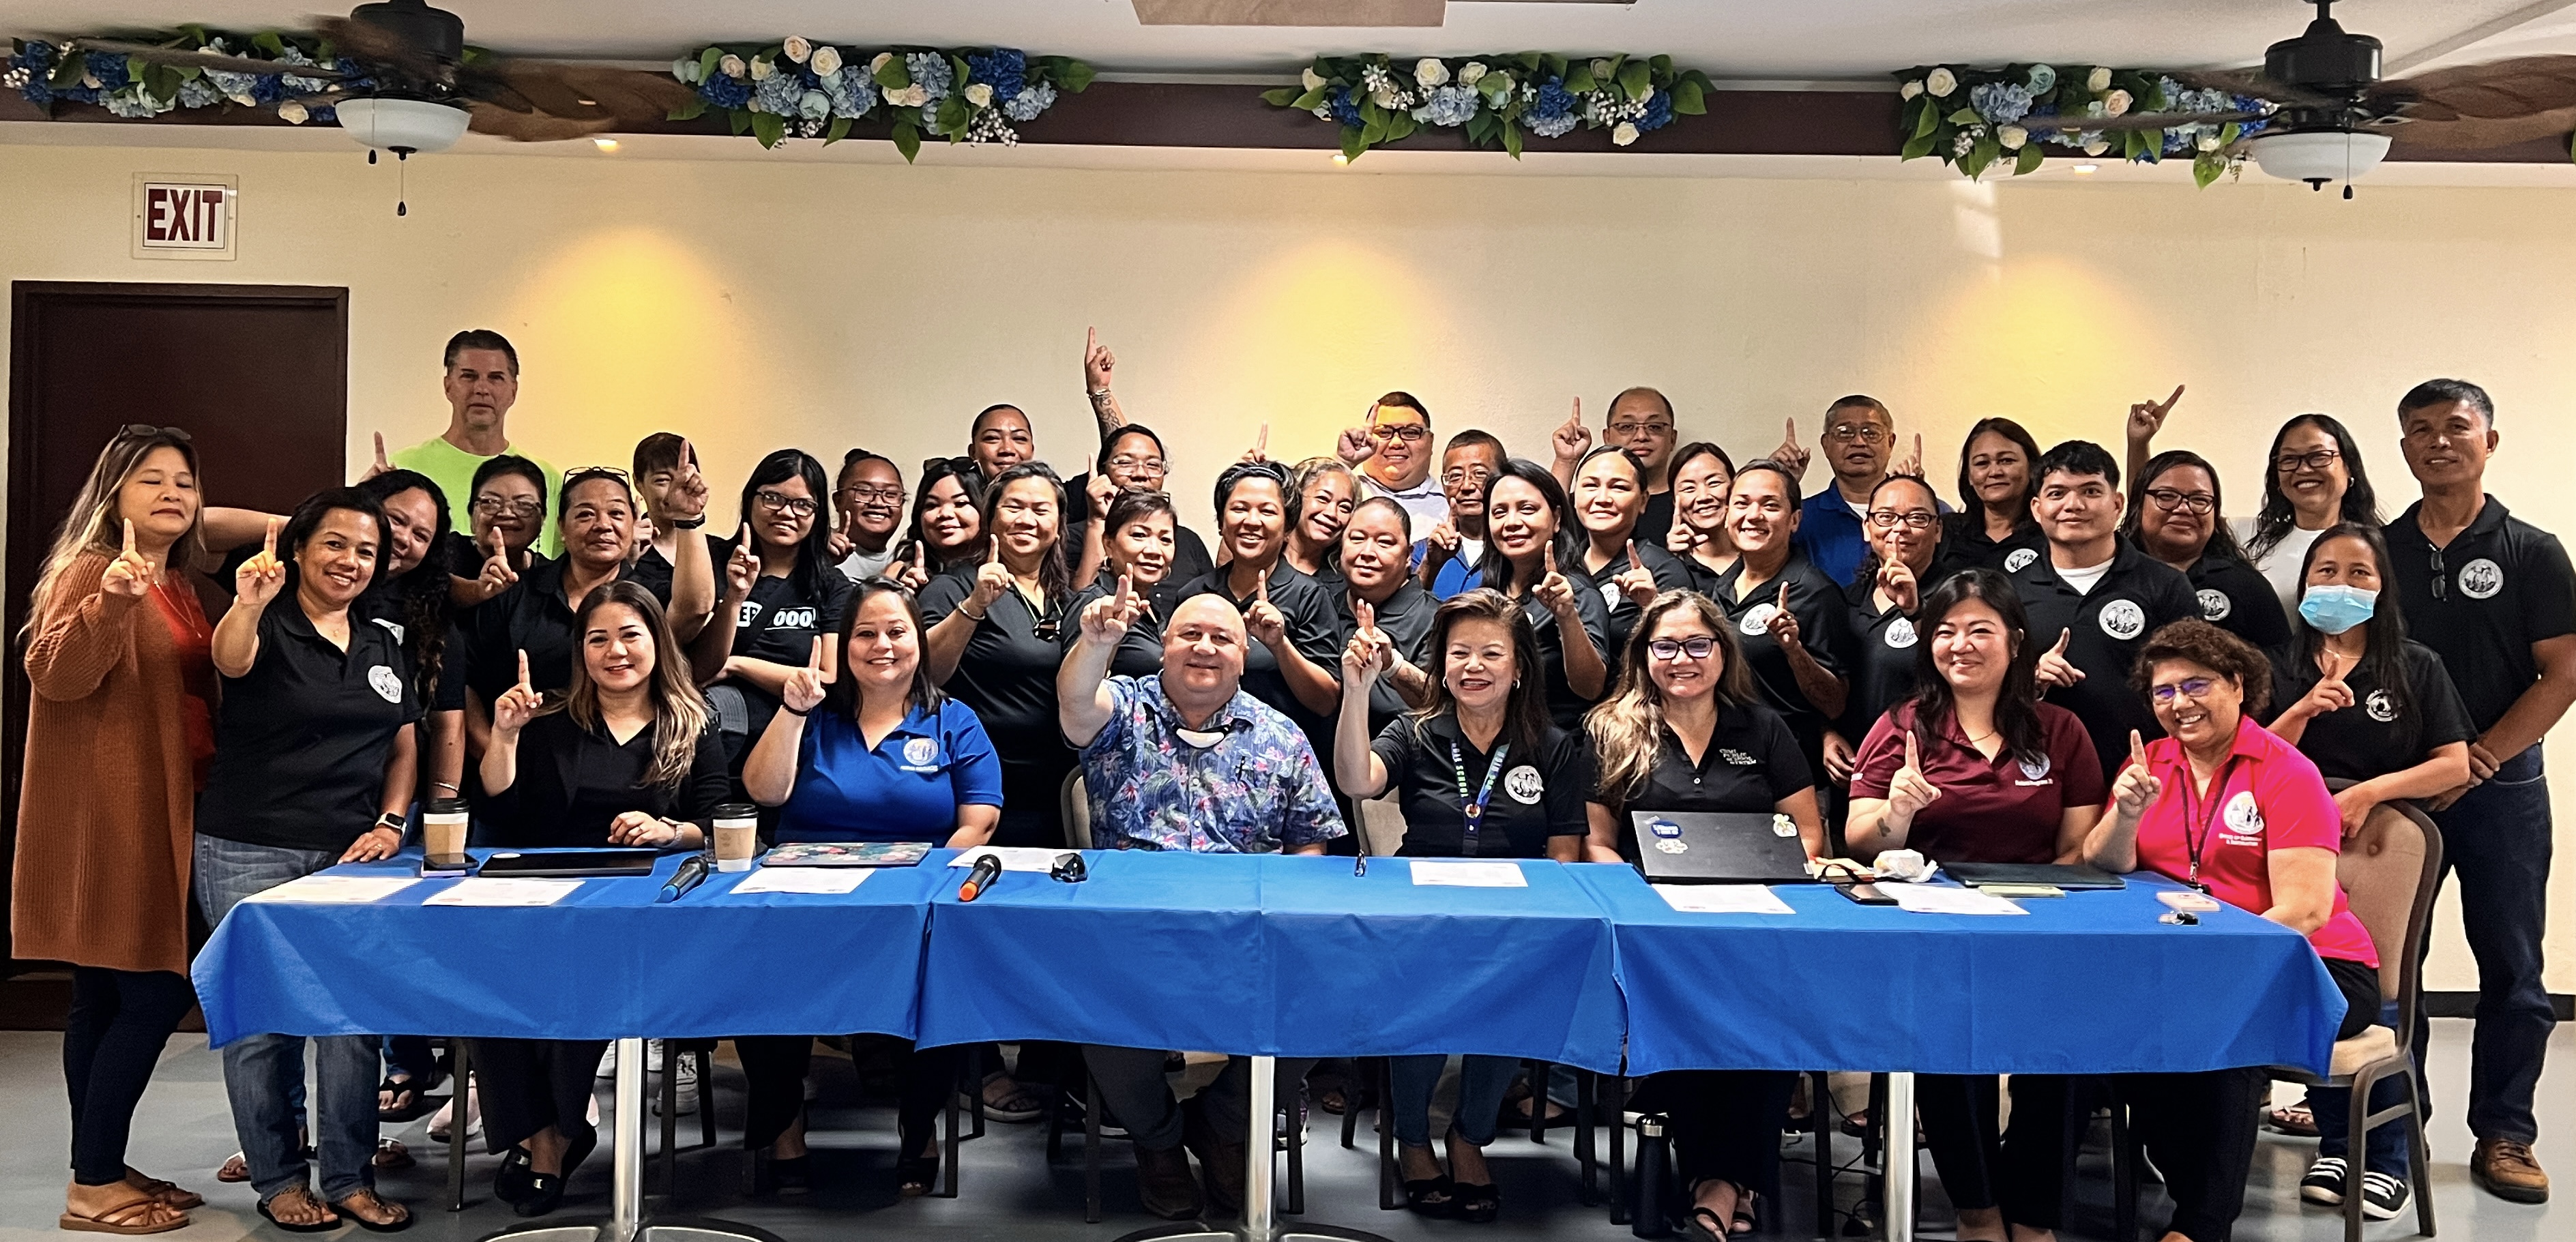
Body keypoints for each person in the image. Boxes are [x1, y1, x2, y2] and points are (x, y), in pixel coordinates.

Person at [2084, 619, 2386, 1242]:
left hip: (2315, 963)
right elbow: (2106, 861)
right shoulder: (2153, 762)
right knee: (2109, 1021)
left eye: (2197, 684)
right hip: (2189, 959)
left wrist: (2211, 962)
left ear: (2238, 685)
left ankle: (2200, 1226)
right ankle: (2183, 1180)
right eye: (2163, 692)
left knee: (2230, 1024)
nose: (2180, 703)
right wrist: (2128, 813)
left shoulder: (2286, 770)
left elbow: (2305, 909)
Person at [1060, 586, 1345, 1222]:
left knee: (1326, 998)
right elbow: (1076, 705)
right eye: (1190, 634)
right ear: (1163, 646)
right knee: (1092, 1004)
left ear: (1244, 657)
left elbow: (1309, 847)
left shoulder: (1282, 736)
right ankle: (1158, 1140)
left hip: (1246, 935)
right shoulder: (1125, 711)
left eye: (1222, 638)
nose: (1205, 647)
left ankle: (1223, 1123)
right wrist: (1097, 644)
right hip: (1135, 934)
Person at [1843, 570, 2105, 1242]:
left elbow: (2079, 853)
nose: (1960, 645)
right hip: (1934, 933)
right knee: (1945, 1046)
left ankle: (2032, 1215)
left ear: (2014, 641)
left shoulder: (2060, 730)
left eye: (1978, 630)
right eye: (1945, 632)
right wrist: (1896, 810)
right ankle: (1978, 1212)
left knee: (2069, 1051)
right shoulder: (1903, 725)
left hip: (2040, 931)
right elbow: (1864, 842)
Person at [196, 491, 417, 1233]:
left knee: (352, 1020)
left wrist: (392, 822)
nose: (349, 562)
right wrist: (251, 603)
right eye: (333, 545)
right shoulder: (266, 618)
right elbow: (229, 661)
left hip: (349, 853)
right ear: (298, 548)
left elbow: (402, 742)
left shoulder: (383, 642)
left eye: (364, 551)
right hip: (248, 844)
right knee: (262, 1020)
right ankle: (278, 1178)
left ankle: (349, 1176)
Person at [1334, 589, 1589, 1222]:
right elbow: (1356, 779)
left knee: (1508, 997)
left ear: (1519, 667)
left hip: (1516, 917)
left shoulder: (1552, 745)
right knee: (1419, 996)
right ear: (1442, 663)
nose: (1473, 666)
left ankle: (1469, 1135)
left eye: (1491, 653)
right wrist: (1358, 689)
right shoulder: (1417, 733)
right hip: (1423, 910)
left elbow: (1564, 854)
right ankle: (1413, 1138)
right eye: (1460, 653)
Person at [16, 428, 216, 1234]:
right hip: (116, 808)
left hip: (174, 797)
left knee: (98, 995)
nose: (172, 493)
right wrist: (113, 603)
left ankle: (95, 1165)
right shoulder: (96, 571)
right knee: (155, 989)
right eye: (149, 481)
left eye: (185, 482)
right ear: (113, 496)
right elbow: (53, 673)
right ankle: (92, 1188)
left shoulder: (185, 582)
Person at [737, 578, 997, 1197]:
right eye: (865, 633)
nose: (882, 645)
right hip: (804, 899)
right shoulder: (813, 711)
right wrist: (793, 712)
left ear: (918, 641)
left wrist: (925, 880)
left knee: (947, 968)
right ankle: (785, 1125)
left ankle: (919, 1124)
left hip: (912, 902)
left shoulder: (953, 719)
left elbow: (978, 820)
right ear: (842, 646)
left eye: (897, 632)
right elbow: (765, 793)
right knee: (753, 964)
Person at [475, 582, 725, 1217]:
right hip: (549, 898)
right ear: (581, 650)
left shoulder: (693, 721)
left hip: (647, 908)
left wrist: (671, 831)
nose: (615, 651)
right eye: (598, 638)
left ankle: (552, 1144)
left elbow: (721, 820)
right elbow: (502, 813)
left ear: (657, 643)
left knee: (583, 977)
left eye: (630, 635)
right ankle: (544, 1131)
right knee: (480, 980)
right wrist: (505, 736)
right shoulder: (551, 722)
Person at [2382, 379, 2573, 1203]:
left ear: (2488, 441)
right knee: (2394, 969)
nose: (2438, 441)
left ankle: (2504, 1133)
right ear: (2402, 450)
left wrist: (2482, 756)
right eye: (2419, 430)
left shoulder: (2531, 550)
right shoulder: (2377, 549)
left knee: (2512, 967)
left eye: (2456, 427)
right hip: (2403, 794)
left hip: (2502, 789)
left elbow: (2562, 671)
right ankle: (2393, 1130)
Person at [1586, 592, 1821, 1234]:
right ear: (1644, 654)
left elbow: (1809, 836)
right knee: (1685, 1014)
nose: (1681, 658)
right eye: (1665, 645)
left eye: (1697, 644)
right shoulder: (1612, 729)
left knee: (1771, 1022)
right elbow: (1598, 844)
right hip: (1656, 932)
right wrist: (1638, 899)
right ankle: (1729, 1187)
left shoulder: (1763, 726)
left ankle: (1713, 1186)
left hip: (1757, 926)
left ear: (1723, 652)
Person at [2264, 522, 2473, 1216]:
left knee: (2374, 986)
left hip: (2378, 844)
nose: (2340, 586)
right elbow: (2249, 758)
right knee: (2308, 982)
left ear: (2382, 587)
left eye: (2358, 573)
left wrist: (2366, 792)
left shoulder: (2414, 665)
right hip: (2289, 847)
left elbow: (2453, 762)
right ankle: (2333, 1143)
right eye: (2325, 571)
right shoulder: (2276, 664)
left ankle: (2382, 1158)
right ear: (2304, 583)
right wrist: (2300, 709)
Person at [2009, 441, 2198, 784]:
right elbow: (1982, 691)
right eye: (2057, 494)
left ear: (2117, 504)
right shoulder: (2009, 591)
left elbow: (2196, 685)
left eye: (2091, 491)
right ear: (2037, 509)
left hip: (2146, 777)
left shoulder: (2166, 585)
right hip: (2037, 779)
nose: (2073, 505)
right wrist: (2031, 679)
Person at [921, 462, 1083, 850]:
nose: (1027, 520)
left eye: (1041, 510)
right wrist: (974, 606)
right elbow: (927, 674)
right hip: (978, 781)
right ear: (991, 516)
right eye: (1014, 508)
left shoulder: (1071, 599)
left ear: (1059, 525)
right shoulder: (953, 585)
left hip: (1057, 782)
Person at [466, 469, 709, 711]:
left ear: (634, 523)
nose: (603, 525)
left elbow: (695, 609)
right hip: (517, 740)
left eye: (616, 513)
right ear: (562, 527)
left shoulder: (649, 596)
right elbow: (468, 684)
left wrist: (688, 518)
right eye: (585, 515)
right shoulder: (515, 594)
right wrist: (496, 747)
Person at [2127, 396, 2383, 614]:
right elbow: (2159, 514)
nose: (2304, 469)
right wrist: (2139, 444)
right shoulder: (2248, 536)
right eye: (2290, 459)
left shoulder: (2377, 546)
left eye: (2318, 457)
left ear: (2349, 467)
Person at [1174, 461, 1346, 765]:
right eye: (1239, 508)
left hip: (1283, 763)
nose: (1252, 521)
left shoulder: (1309, 595)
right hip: (1200, 759)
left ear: (1288, 528)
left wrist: (1280, 646)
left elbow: (1326, 702)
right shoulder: (1194, 595)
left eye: (1267, 511)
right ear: (1220, 522)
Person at [688, 449, 853, 765]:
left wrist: (738, 665)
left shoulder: (830, 584)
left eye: (803, 505)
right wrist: (735, 597)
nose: (787, 513)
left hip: (793, 743)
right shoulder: (712, 560)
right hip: (710, 741)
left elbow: (828, 678)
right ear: (751, 500)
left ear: (818, 516)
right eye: (772, 498)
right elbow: (694, 667)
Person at [1706, 460, 1850, 776]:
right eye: (1741, 504)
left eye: (1770, 505)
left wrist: (1794, 651)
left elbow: (1835, 703)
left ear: (1795, 520)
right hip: (1727, 763)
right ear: (1728, 514)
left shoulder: (1815, 592)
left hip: (1788, 768)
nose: (1753, 516)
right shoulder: (1723, 585)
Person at [1822, 475, 1951, 788]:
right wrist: (1825, 734)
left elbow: (1958, 671)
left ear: (1938, 531)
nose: (1900, 528)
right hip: (1854, 771)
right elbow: (1830, 684)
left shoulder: (1958, 596)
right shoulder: (1846, 598)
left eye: (1917, 518)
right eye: (1886, 517)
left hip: (1931, 769)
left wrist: (1914, 610)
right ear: (1867, 528)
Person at [389, 329, 561, 555]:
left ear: (513, 390)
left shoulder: (545, 477)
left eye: (495, 378)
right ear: (448, 385)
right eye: (469, 376)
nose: (481, 389)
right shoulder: (402, 467)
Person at [1478, 460, 1611, 728]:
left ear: (1557, 519)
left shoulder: (1575, 591)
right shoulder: (1490, 591)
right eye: (1499, 512)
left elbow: (1592, 687)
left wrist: (1566, 616)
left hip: (1558, 749)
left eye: (1527, 509)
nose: (1512, 522)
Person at [2123, 449, 2292, 649]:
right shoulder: (2110, 579)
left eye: (2200, 500)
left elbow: (2283, 662)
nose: (2184, 508)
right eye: (2167, 496)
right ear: (2138, 506)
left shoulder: (2244, 583)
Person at [1785, 396, 1932, 588]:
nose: (1859, 442)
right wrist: (1782, 485)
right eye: (1845, 433)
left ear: (1890, 442)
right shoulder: (1800, 518)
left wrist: (1918, 498)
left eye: (1871, 433)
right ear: (1826, 445)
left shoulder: (1932, 517)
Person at [1568, 445, 1701, 656]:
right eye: (1591, 486)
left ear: (1643, 500)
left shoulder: (1663, 570)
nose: (1602, 498)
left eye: (1619, 487)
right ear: (1575, 497)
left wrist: (1653, 604)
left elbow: (1688, 649)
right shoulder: (1563, 565)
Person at [1329, 497, 1438, 737]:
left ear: (1409, 555)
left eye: (1385, 542)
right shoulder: (1319, 602)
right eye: (1357, 539)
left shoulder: (1436, 617)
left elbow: (1448, 702)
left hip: (1402, 764)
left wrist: (1392, 666)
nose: (1367, 552)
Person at [1072, 424, 1214, 588]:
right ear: (1102, 471)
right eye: (1125, 463)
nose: (1141, 474)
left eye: (1153, 465)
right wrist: (1098, 520)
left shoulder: (1188, 541)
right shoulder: (1074, 537)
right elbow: (1081, 606)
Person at [1549, 388, 1684, 546]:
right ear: (1607, 437)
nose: (1641, 436)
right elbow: (1548, 527)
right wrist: (1566, 461)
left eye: (1655, 427)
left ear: (1673, 439)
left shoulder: (1690, 503)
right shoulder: (1591, 503)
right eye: (1627, 426)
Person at [627, 434, 720, 640]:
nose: (676, 491)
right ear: (638, 483)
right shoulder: (628, 553)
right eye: (662, 481)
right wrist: (625, 562)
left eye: (683, 480)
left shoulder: (720, 551)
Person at [445, 454, 549, 608]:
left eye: (523, 504)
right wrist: (477, 590)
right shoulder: (445, 551)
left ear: (542, 518)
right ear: (471, 511)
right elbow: (427, 580)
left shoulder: (550, 576)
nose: (506, 513)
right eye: (491, 502)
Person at [1944, 417, 2045, 574]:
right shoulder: (1947, 533)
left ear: (2032, 467)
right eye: (1982, 463)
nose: (1995, 472)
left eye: (2006, 460)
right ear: (1969, 476)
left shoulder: (2051, 535)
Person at [1418, 429, 1507, 598]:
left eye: (1480, 474)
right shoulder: (1423, 552)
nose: (1466, 486)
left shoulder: (1516, 548)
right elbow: (1406, 614)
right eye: (1455, 476)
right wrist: (1430, 565)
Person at [1338, 392, 1447, 529]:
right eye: (1384, 432)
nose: (1396, 442)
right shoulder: (1342, 492)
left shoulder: (1450, 506)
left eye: (1411, 432)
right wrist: (1343, 462)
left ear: (1430, 442)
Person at [890, 456, 987, 589]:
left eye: (960, 503)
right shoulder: (899, 573)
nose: (945, 514)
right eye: (932, 505)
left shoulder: (1006, 570)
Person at [1663, 441, 1738, 584]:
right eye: (1688, 488)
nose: (1704, 497)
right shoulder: (1665, 566)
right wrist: (1670, 561)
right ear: (1674, 500)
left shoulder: (1758, 555)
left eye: (1714, 483)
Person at [828, 449, 907, 581]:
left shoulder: (905, 566)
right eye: (864, 492)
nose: (878, 502)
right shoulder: (814, 551)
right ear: (838, 501)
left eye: (891, 494)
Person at [1284, 456, 1358, 578]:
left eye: (1344, 507)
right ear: (1297, 498)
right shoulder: (1261, 557)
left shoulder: (1342, 587)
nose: (1332, 513)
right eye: (1323, 499)